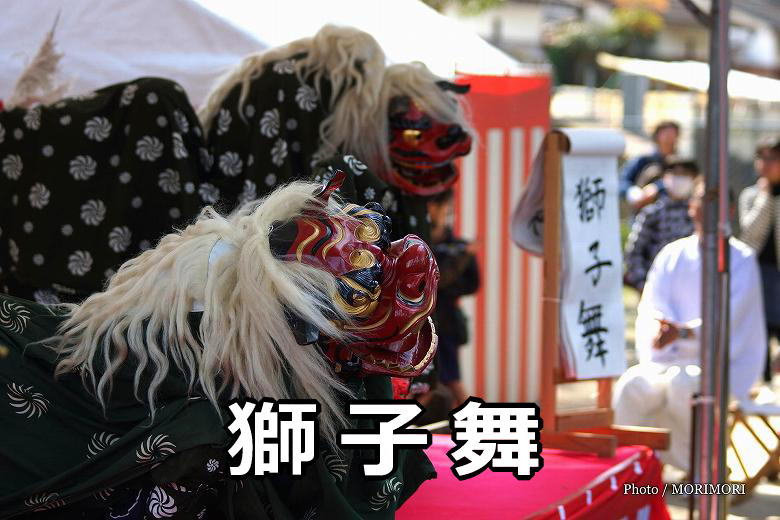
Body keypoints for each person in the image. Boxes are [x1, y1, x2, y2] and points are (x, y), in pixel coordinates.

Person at [613, 177, 766, 472]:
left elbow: (734, 317)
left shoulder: (741, 259)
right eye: (701, 199)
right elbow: (653, 304)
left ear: (729, 210)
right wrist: (661, 329)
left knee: (685, 385)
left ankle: (702, 468)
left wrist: (682, 331)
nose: (706, 207)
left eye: (714, 201)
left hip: (720, 363)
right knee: (632, 384)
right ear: (691, 207)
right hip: (668, 357)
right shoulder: (672, 253)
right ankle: (629, 470)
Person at [427, 189, 479, 407]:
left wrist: (446, 284)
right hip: (421, 321)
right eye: (435, 204)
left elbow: (472, 284)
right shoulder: (419, 241)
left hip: (446, 322)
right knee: (422, 382)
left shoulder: (458, 245)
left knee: (451, 379)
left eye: (442, 205)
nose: (438, 211)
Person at [739, 137, 780, 383]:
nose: (766, 164)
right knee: (759, 331)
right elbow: (750, 231)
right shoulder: (751, 195)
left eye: (773, 158)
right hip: (758, 274)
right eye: (761, 158)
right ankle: (760, 384)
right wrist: (766, 195)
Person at [624, 158, 698, 292]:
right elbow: (634, 251)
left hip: (692, 287)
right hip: (657, 285)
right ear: (665, 178)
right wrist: (643, 284)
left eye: (685, 174)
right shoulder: (653, 213)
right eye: (675, 174)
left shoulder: (700, 214)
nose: (680, 179)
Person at [620, 121, 680, 211]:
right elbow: (622, 182)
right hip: (645, 213)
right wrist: (635, 193)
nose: (670, 138)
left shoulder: (680, 164)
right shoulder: (644, 160)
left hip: (671, 215)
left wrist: (657, 188)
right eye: (666, 134)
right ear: (657, 136)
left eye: (673, 134)